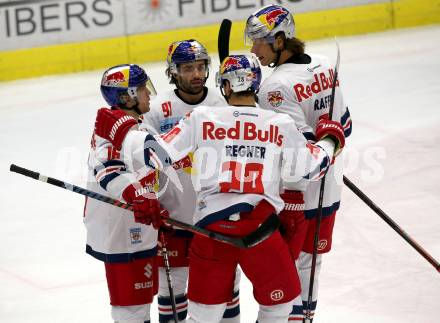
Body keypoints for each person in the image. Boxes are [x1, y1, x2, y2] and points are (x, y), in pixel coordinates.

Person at [93, 54, 346, 323]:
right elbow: (312, 167)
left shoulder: (202, 117)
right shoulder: (278, 123)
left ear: (225, 86)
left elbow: (155, 154)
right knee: (279, 308)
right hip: (260, 231)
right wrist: (331, 138)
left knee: (203, 315)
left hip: (210, 230)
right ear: (255, 84)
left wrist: (124, 131)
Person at [244, 4, 353, 322]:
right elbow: (343, 127)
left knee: (288, 270)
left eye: (258, 41)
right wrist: (330, 145)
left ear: (279, 41)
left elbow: (300, 155)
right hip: (329, 188)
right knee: (311, 265)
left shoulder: (274, 88)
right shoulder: (322, 64)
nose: (253, 50)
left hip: (294, 197)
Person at [140, 39, 240, 323]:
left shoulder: (222, 104)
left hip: (216, 215)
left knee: (226, 289)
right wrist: (148, 198)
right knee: (173, 291)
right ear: (174, 72)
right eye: (187, 68)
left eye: (200, 67)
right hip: (173, 216)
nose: (196, 74)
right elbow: (144, 159)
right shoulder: (157, 109)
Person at [83, 63, 164, 323]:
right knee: (130, 308)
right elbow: (107, 171)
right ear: (126, 96)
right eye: (141, 89)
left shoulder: (138, 127)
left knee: (140, 303)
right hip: (121, 231)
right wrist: (137, 195)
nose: (148, 94)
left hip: (141, 226)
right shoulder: (109, 129)